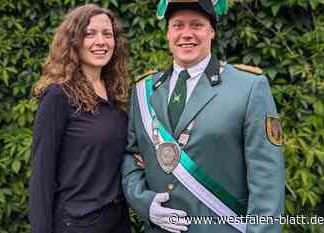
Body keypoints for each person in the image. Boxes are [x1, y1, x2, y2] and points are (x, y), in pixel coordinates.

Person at [121, 0, 285, 233]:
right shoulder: (143, 92)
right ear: (168, 33)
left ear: (212, 31)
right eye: (178, 25)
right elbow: (131, 156)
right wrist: (144, 203)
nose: (186, 34)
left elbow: (267, 179)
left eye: (196, 25)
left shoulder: (248, 87)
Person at [29, 4, 130, 233]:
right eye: (89, 34)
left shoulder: (115, 93)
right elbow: (41, 177)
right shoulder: (58, 96)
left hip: (117, 221)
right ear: (73, 41)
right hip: (76, 224)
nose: (101, 41)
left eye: (107, 34)